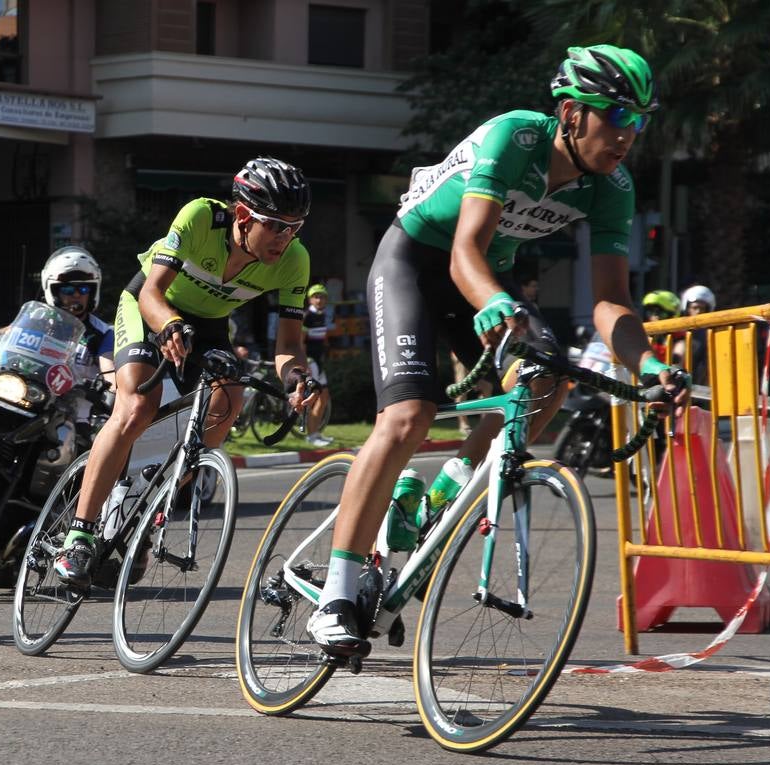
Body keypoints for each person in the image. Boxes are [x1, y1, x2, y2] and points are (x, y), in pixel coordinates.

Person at [305, 44, 690, 652]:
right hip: (418, 260)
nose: (628, 136)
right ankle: (336, 593)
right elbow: (464, 249)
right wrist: (493, 302)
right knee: (408, 415)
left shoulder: (611, 186)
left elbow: (611, 302)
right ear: (570, 112)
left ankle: (435, 495)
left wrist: (649, 366)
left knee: (549, 378)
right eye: (617, 117)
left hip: (485, 277)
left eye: (639, 122)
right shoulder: (516, 138)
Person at [53, 156, 317, 587]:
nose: (286, 239)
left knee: (228, 404)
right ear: (245, 215)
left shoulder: (294, 261)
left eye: (296, 227)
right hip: (153, 308)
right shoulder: (200, 217)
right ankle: (79, 536)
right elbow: (152, 292)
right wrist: (170, 324)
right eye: (276, 226)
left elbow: (288, 345)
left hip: (210, 325)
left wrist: (295, 377)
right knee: (137, 405)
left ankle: (154, 503)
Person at [37, 244, 115, 441]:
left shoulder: (102, 334)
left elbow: (110, 374)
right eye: (68, 289)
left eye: (83, 288)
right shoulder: (39, 322)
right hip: (35, 404)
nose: (76, 294)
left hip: (77, 419)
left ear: (92, 292)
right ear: (54, 291)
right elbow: (5, 334)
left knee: (93, 448)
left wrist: (111, 388)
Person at [301, 283, 335, 447]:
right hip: (311, 361)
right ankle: (312, 435)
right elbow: (301, 341)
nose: (320, 300)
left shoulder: (322, 315)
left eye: (322, 297)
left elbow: (322, 337)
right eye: (316, 296)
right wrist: (304, 362)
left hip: (319, 361)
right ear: (310, 299)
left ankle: (316, 433)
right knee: (317, 397)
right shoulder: (307, 316)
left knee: (324, 396)